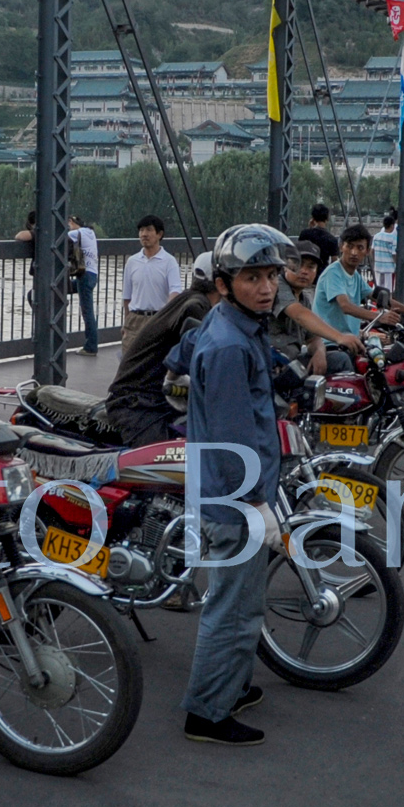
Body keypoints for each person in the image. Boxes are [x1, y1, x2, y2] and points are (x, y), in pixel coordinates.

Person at [167, 226, 292, 748]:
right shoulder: (225, 347)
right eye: (251, 278)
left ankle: (232, 686)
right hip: (234, 498)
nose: (265, 288)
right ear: (223, 283)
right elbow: (233, 439)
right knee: (233, 609)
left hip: (237, 490)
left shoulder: (237, 327)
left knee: (246, 603)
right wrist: (257, 504)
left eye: (270, 276)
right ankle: (207, 713)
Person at [106, 256, 221, 447]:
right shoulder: (195, 307)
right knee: (167, 464)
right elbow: (202, 352)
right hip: (138, 404)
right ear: (222, 283)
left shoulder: (189, 298)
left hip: (155, 399)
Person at [270, 240, 352, 374]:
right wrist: (340, 337)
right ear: (285, 265)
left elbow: (313, 338)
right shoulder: (276, 286)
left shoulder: (304, 299)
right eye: (298, 264)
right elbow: (298, 314)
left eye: (310, 267)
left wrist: (319, 351)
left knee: (340, 359)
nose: (304, 271)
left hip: (293, 362)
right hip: (273, 364)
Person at [315, 224, 404, 337]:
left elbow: (376, 296)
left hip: (350, 341)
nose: (354, 252)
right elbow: (345, 306)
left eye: (360, 248)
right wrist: (380, 317)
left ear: (367, 251)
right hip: (330, 342)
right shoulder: (333, 273)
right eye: (350, 246)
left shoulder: (355, 276)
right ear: (341, 247)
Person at [122, 216, 181, 348]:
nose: (144, 234)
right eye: (141, 230)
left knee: (156, 363)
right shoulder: (132, 261)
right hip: (135, 320)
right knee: (129, 362)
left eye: (148, 230)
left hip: (158, 318)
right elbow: (127, 296)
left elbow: (175, 291)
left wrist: (166, 316)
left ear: (159, 234)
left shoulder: (169, 261)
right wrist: (126, 322)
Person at [67, 212, 99, 356]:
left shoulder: (77, 233)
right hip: (92, 275)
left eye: (69, 225)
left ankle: (91, 347)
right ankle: (60, 298)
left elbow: (57, 239)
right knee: (64, 287)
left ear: (74, 224)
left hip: (83, 276)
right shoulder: (90, 233)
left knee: (87, 312)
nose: (68, 228)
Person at [300, 204, 340, 282]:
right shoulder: (331, 239)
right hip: (322, 277)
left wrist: (309, 228)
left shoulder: (304, 234)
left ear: (313, 217)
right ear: (327, 218)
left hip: (305, 275)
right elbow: (334, 261)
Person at [371, 210, 400, 295]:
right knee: (388, 290)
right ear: (392, 226)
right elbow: (394, 254)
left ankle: (376, 306)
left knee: (377, 289)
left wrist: (375, 261)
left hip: (378, 266)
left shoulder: (376, 236)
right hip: (389, 268)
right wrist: (397, 264)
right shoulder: (393, 238)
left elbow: (372, 251)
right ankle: (386, 307)